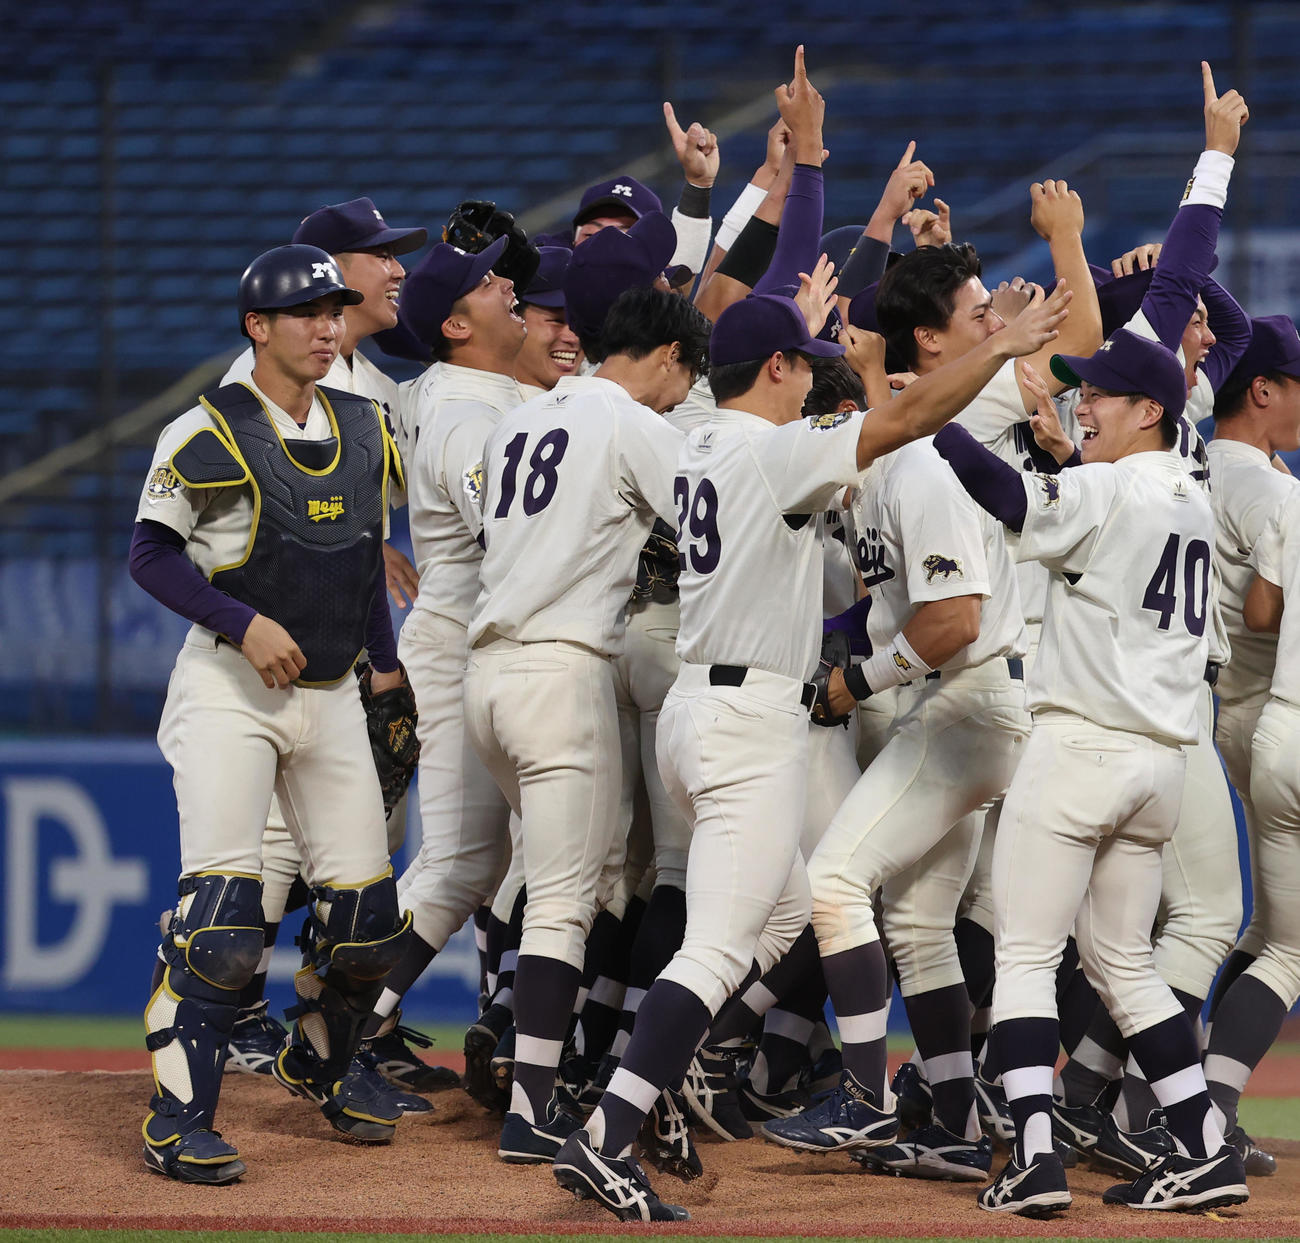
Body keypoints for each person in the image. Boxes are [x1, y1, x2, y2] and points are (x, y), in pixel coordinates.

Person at [551, 175, 1069, 1220]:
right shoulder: (772, 449)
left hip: (696, 709)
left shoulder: (699, 438)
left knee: (795, 906)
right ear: (778, 369)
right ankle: (608, 1131)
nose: (816, 381)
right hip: (749, 722)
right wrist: (998, 351)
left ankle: (657, 1088)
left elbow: (837, 542)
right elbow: (902, 417)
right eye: (803, 363)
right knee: (720, 941)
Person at [933, 329, 1249, 1215]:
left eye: (1102, 394)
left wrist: (930, 414)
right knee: (1124, 962)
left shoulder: (1110, 486)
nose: (1084, 405)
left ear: (1151, 409)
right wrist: (1069, 461)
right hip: (1161, 765)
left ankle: (1035, 1158)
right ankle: (1206, 1148)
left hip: (1081, 748)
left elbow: (1003, 490)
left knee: (1027, 954)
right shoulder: (1190, 491)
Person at [129, 245, 412, 1182]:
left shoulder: (367, 426)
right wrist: (241, 621)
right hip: (230, 692)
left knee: (368, 923)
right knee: (222, 925)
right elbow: (150, 554)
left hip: (330, 696)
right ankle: (177, 1121)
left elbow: (365, 556)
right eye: (307, 313)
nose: (328, 328)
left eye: (335, 311)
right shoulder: (206, 427)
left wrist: (385, 665)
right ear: (258, 325)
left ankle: (321, 1059)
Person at [463, 283, 712, 1167]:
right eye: (687, 376)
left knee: (580, 871)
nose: (682, 396)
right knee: (568, 898)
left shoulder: (519, 418)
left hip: (485, 674)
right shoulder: (630, 422)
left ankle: (522, 1051)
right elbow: (714, 521)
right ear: (670, 356)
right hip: (561, 671)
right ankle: (530, 1108)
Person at [214, 197, 437, 1091]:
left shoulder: (373, 383)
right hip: (274, 642)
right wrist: (356, 542)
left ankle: (335, 1021)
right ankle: (239, 1014)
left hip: (347, 641)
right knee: (271, 840)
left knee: (356, 842)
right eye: (380, 255)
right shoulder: (265, 373)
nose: (398, 269)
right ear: (331, 272)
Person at [349, 236, 528, 1096]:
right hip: (459, 643)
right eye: (484, 281)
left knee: (480, 859)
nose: (506, 284)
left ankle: (352, 1018)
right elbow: (514, 533)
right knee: (458, 860)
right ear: (455, 325)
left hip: (474, 638)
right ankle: (344, 1018)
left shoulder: (482, 392)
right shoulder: (462, 411)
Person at [1201, 315, 1300, 1170]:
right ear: (1262, 387)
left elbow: (1263, 607)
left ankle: (1192, 1097)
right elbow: (1269, 614)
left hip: (1240, 712)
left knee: (1268, 926)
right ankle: (1207, 1105)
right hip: (1266, 704)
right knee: (1287, 944)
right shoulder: (1269, 489)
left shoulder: (1203, 463)